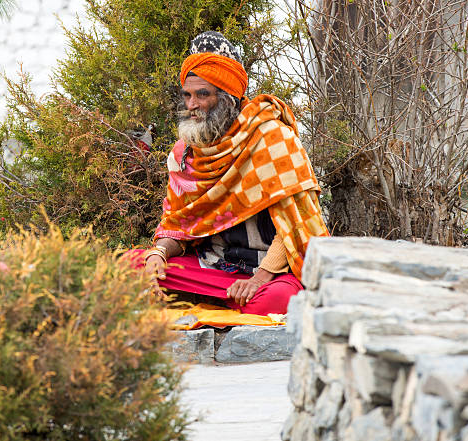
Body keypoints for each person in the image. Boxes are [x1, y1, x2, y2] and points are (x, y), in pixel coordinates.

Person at [131, 31, 328, 315]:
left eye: (202, 95)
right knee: (131, 267)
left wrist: (261, 277)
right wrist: (158, 253)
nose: (192, 106)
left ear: (226, 98)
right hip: (211, 267)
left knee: (277, 300)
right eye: (187, 95)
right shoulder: (185, 152)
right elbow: (178, 223)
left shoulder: (273, 139)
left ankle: (203, 304)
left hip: (268, 272)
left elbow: (296, 226)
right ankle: (224, 303)